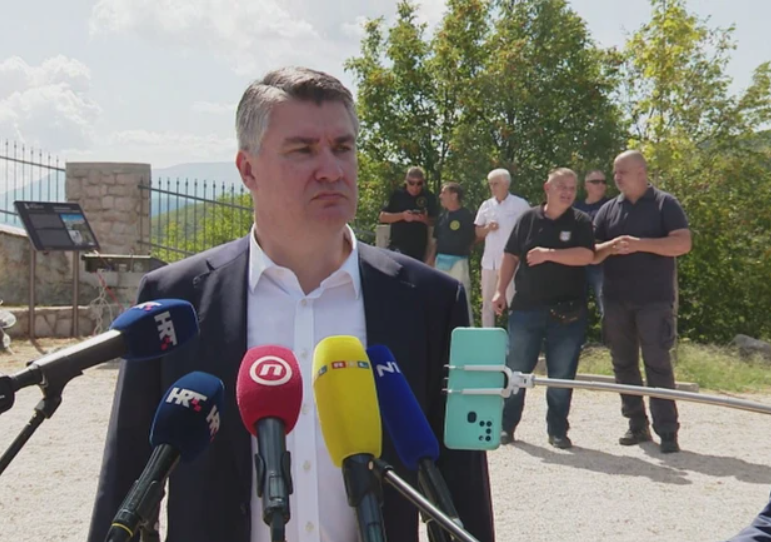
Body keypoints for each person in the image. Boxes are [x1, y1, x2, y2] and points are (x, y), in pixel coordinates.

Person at [87, 67, 495, 542]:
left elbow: (462, 487)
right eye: (303, 150)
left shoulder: (430, 301)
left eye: (342, 147)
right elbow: (128, 478)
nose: (331, 169)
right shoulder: (175, 301)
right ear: (248, 170)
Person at [592, 150, 692, 454]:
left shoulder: (665, 204)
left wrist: (640, 245)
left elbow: (683, 243)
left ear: (641, 172)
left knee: (657, 364)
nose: (617, 178)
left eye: (622, 172)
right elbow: (592, 252)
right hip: (615, 300)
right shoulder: (608, 210)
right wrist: (610, 247)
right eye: (615, 172)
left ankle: (668, 430)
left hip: (654, 301)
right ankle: (636, 424)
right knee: (623, 364)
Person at [491, 168, 594, 449]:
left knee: (562, 375)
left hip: (568, 312)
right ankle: (506, 426)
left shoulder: (581, 221)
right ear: (547, 188)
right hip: (527, 308)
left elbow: (586, 255)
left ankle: (557, 430)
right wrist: (500, 290)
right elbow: (511, 255)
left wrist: (549, 254)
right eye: (562, 186)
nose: (567, 192)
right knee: (516, 371)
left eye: (572, 188)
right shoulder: (528, 219)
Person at [474, 168, 530, 328]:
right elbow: (477, 231)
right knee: (487, 304)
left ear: (506, 184)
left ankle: (516, 337)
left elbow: (530, 229)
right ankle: (487, 338)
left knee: (514, 303)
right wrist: (487, 228)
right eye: (490, 184)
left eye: (496, 184)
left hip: (512, 263)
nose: (492, 187)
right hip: (489, 263)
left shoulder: (520, 204)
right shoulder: (486, 205)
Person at [426, 182, 476, 325]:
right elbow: (436, 241)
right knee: (440, 298)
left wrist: (466, 250)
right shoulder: (442, 217)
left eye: (444, 193)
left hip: (458, 262)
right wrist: (430, 260)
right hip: (440, 262)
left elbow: (474, 237)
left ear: (454, 196)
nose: (440, 196)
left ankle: (466, 329)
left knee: (462, 297)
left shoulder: (466, 215)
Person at [379, 166, 439, 262]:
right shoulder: (397, 195)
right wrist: (402, 216)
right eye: (411, 183)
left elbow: (436, 221)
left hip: (419, 249)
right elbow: (383, 217)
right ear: (406, 181)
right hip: (398, 245)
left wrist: (424, 219)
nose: (415, 187)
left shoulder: (428, 196)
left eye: (419, 183)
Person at [573, 170, 610, 317]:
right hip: (577, 264)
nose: (600, 185)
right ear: (586, 186)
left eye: (603, 182)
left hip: (602, 263)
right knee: (575, 307)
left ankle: (609, 333)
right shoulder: (575, 208)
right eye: (595, 182)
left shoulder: (611, 206)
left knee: (606, 306)